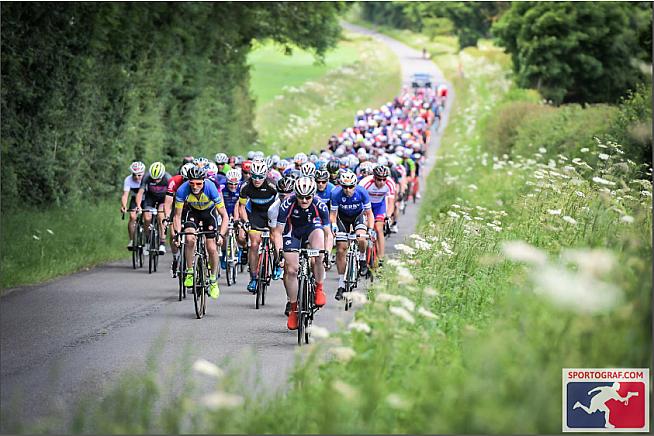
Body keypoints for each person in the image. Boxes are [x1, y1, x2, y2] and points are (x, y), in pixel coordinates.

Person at [272, 177, 330, 330]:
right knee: (291, 270)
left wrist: (328, 253)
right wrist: (279, 252)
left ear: (313, 195)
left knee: (319, 253)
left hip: (312, 229)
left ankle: (318, 288)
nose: (304, 200)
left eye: (308, 197)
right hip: (293, 232)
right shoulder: (287, 204)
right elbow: (277, 232)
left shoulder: (320, 205)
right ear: (295, 195)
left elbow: (328, 234)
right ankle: (293, 309)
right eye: (300, 197)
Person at [173, 165, 228, 299]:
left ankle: (213, 280)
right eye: (192, 183)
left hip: (209, 214)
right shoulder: (182, 190)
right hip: (192, 213)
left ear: (203, 181)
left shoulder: (211, 188)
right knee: (190, 239)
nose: (195, 186)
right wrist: (176, 234)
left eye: (198, 183)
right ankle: (190, 271)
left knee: (211, 248)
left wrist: (221, 235)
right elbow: (177, 216)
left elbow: (224, 215)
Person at [330, 171, 375, 301]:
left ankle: (362, 259)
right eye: (345, 187)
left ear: (355, 185)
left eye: (350, 187)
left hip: (358, 217)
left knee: (361, 237)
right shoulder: (336, 194)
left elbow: (369, 213)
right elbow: (333, 214)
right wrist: (333, 225)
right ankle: (341, 284)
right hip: (342, 219)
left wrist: (370, 229)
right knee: (341, 248)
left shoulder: (362, 192)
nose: (348, 190)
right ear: (341, 185)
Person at [238, 160, 277, 293]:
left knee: (275, 238)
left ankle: (277, 263)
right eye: (254, 176)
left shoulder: (273, 185)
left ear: (266, 175)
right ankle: (254, 278)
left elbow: (281, 204)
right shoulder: (245, 187)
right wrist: (246, 221)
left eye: (260, 176)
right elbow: (242, 207)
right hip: (256, 215)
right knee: (254, 244)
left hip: (271, 213)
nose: (257, 179)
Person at [359, 164, 395, 263]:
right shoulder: (365, 182)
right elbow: (359, 199)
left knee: (379, 229)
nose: (382, 182)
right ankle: (362, 254)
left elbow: (391, 203)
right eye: (379, 179)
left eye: (384, 179)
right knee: (365, 227)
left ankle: (381, 259)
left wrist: (388, 216)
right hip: (366, 206)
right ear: (374, 177)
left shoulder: (390, 183)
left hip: (379, 206)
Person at [163, 162, 195, 276]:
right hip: (177, 207)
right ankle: (176, 258)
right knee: (173, 235)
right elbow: (167, 202)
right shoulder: (174, 181)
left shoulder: (195, 183)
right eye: (185, 179)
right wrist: (167, 217)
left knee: (192, 235)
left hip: (192, 208)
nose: (187, 182)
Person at [135, 162, 172, 255]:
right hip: (150, 198)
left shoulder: (168, 178)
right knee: (147, 218)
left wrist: (169, 209)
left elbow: (172, 196)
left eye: (158, 179)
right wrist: (139, 206)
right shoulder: (147, 177)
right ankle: (147, 240)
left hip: (163, 199)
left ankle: (162, 242)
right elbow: (140, 193)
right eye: (154, 179)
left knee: (161, 217)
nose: (155, 181)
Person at [120, 161, 146, 251]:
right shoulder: (128, 179)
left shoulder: (147, 179)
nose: (137, 177)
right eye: (134, 175)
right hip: (135, 199)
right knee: (132, 217)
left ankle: (149, 239)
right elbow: (125, 195)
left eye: (139, 175)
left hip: (147, 199)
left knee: (148, 217)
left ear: (143, 173)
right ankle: (132, 240)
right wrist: (124, 205)